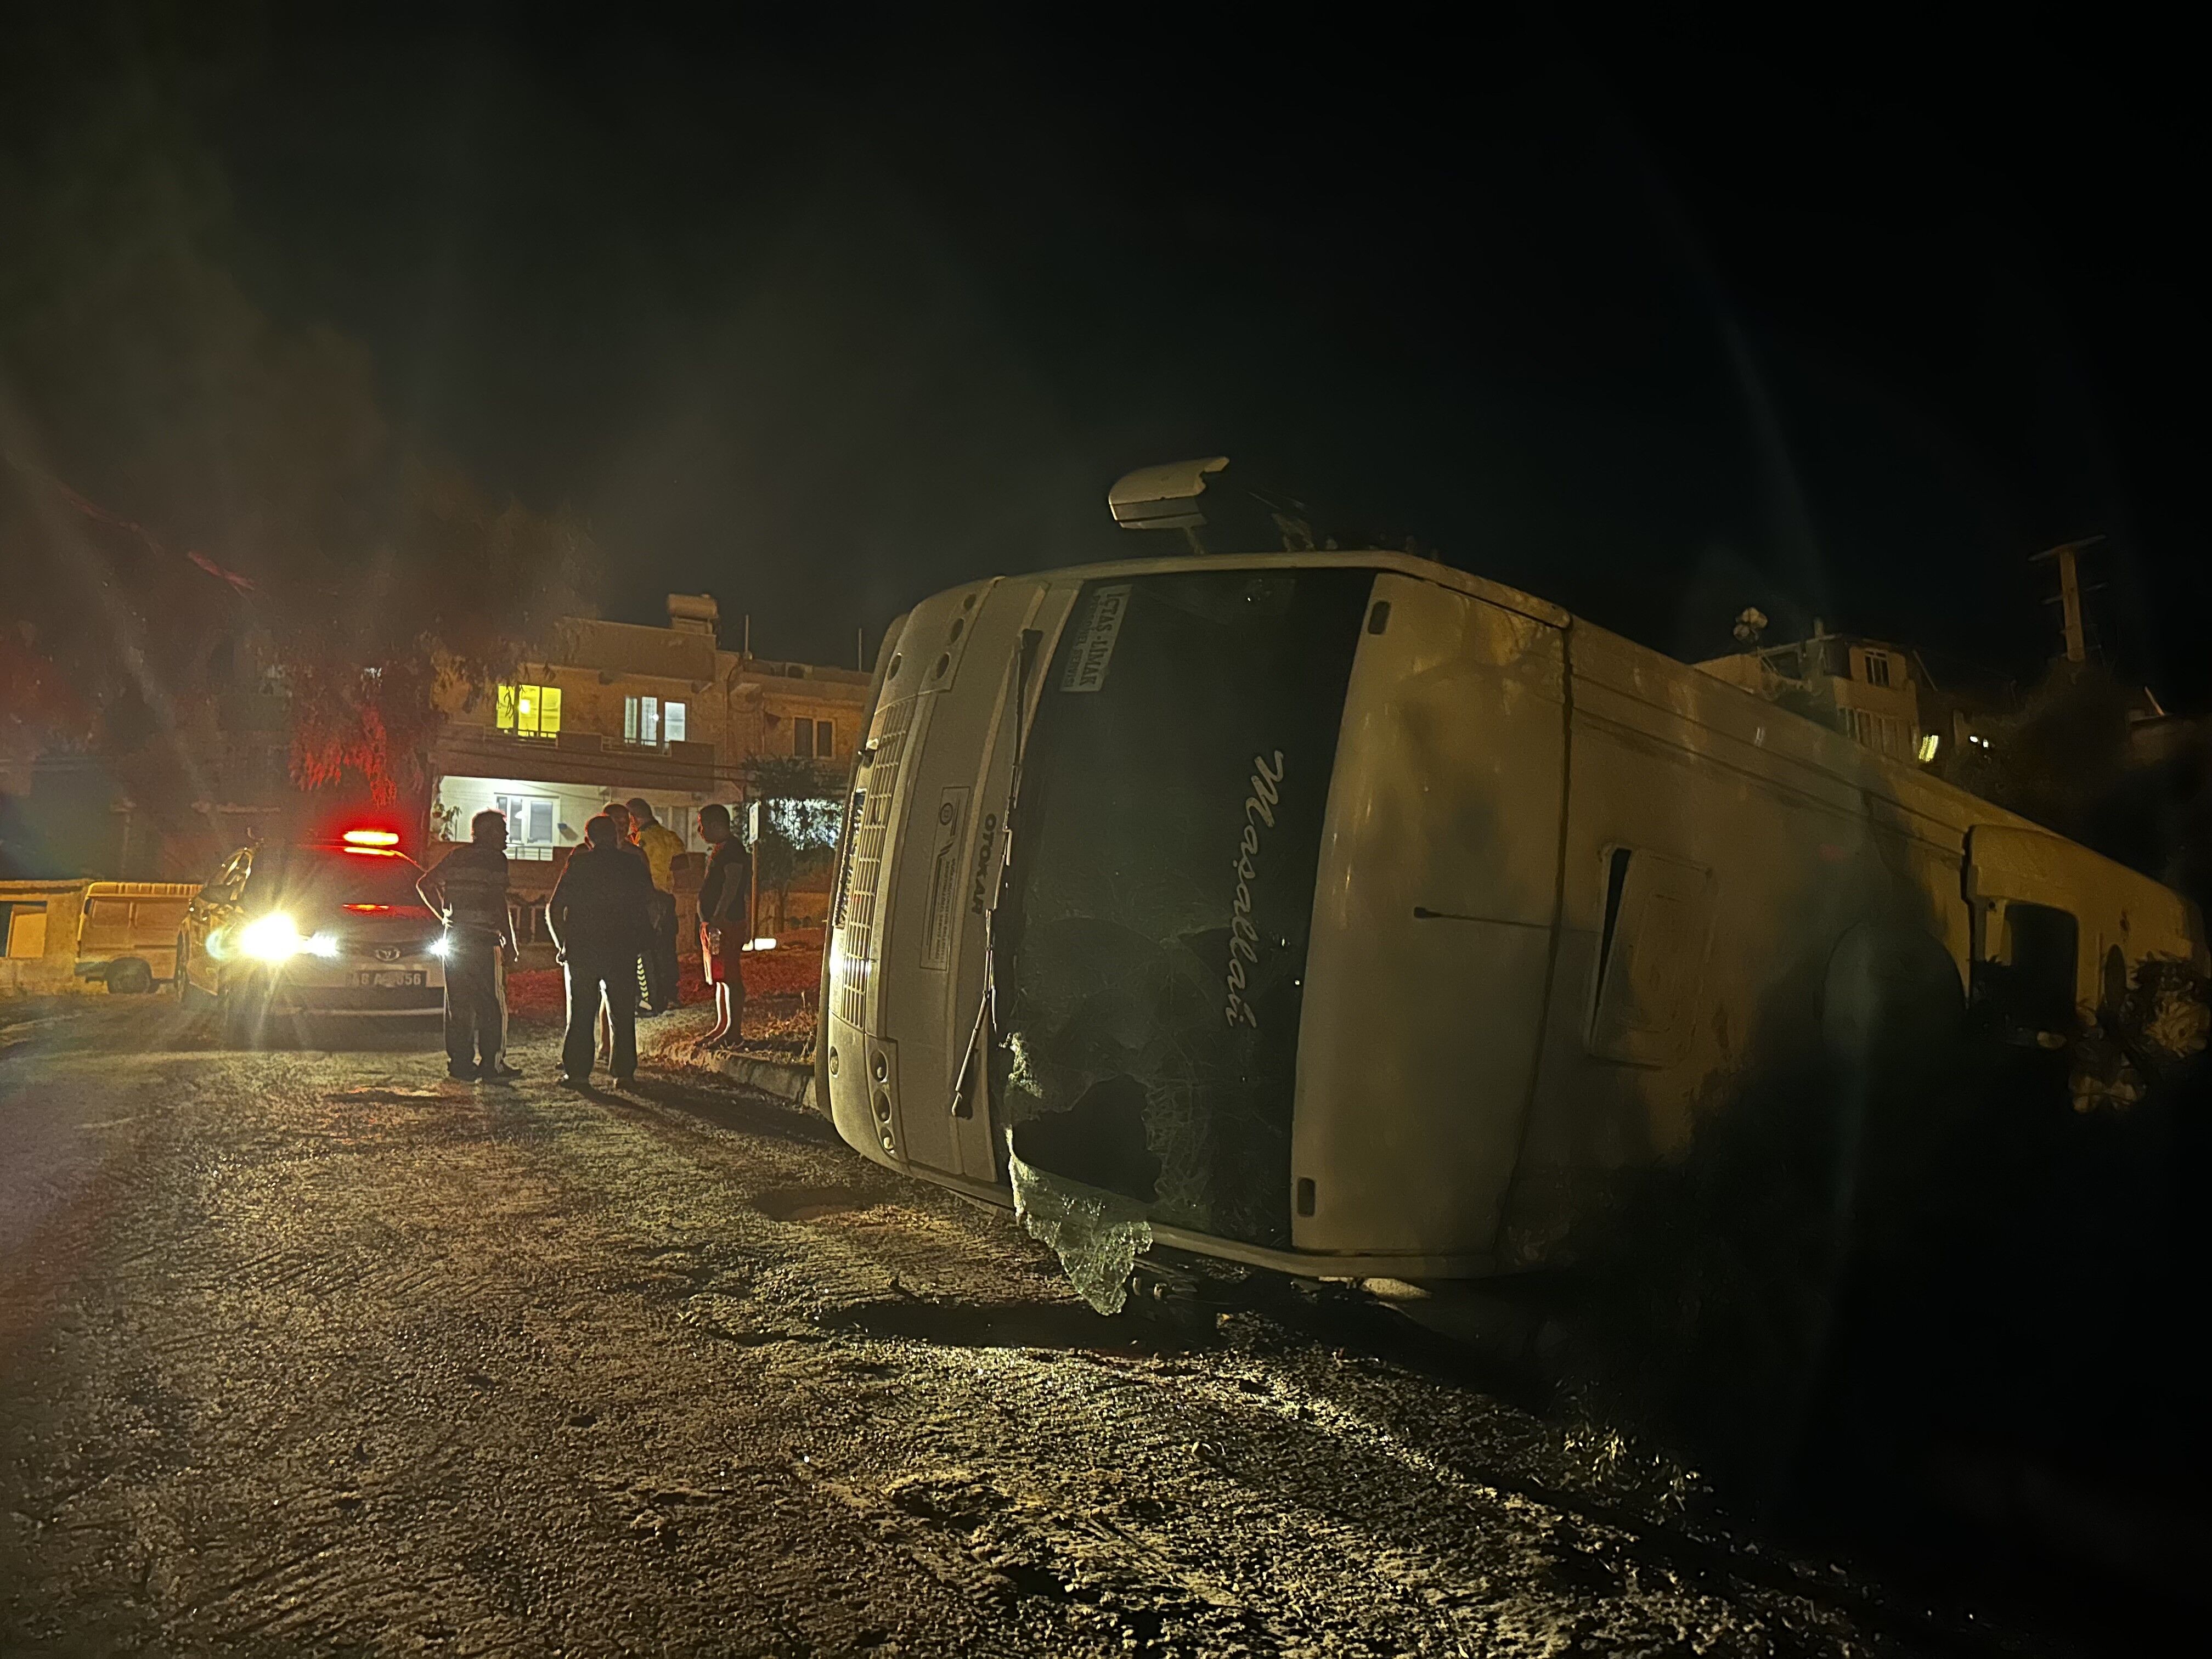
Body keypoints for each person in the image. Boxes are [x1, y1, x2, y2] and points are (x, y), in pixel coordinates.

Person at [547, 813, 657, 1087]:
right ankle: (624, 1074)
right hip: (622, 948)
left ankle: (578, 1074)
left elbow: (554, 908)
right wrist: (644, 938)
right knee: (621, 1013)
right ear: (618, 838)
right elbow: (653, 904)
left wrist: (562, 943)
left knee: (582, 1012)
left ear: (588, 840)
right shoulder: (633, 864)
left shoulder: (579, 864)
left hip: (583, 949)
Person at [417, 808, 521, 1082]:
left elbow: (425, 884)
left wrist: (445, 916)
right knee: (492, 1005)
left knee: (459, 1004)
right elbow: (499, 903)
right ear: (488, 833)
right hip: (483, 940)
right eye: (502, 829)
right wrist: (509, 942)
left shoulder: (457, 857)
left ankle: (461, 1065)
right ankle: (492, 1065)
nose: (507, 835)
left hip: (454, 938)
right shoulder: (495, 860)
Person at [696, 802, 752, 1048]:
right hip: (716, 923)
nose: (700, 830)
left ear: (716, 824)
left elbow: (731, 885)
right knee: (720, 975)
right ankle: (722, 1025)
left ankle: (733, 1031)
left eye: (702, 825)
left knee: (730, 975)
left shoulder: (733, 850)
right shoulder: (720, 849)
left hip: (727, 922)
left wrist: (719, 915)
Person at [626, 797, 684, 1014]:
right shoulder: (670, 837)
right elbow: (682, 863)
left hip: (645, 898)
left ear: (633, 818)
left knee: (644, 948)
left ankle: (648, 996)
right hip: (666, 897)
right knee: (667, 947)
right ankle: (670, 995)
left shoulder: (637, 840)